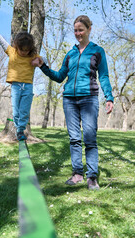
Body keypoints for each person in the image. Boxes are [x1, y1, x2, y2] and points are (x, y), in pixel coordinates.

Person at [32, 15, 114, 190]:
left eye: (81, 30)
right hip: (69, 98)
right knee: (74, 139)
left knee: (90, 138)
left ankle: (92, 177)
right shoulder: (70, 54)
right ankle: (77, 174)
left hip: (89, 98)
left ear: (89, 30)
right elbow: (60, 76)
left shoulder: (98, 51)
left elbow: (104, 76)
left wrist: (109, 97)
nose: (77, 33)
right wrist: (43, 66)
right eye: (75, 30)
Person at [0, 22, 40, 141]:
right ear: (16, 46)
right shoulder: (11, 52)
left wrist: (38, 62)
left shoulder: (33, 55)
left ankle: (20, 130)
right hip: (16, 86)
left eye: (26, 50)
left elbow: (41, 61)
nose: (24, 52)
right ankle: (18, 129)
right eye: (21, 50)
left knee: (24, 110)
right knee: (16, 110)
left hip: (28, 86)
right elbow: (1, 40)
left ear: (30, 49)